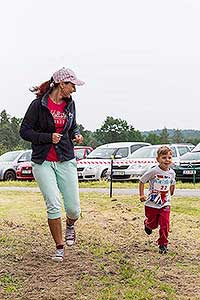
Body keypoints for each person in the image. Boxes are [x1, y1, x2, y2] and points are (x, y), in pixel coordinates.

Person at [20, 67, 85, 262]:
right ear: (61, 84)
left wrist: (76, 134)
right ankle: (59, 246)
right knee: (54, 204)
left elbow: (72, 126)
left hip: (65, 158)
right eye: (72, 85)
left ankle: (70, 225)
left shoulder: (70, 105)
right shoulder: (37, 105)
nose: (74, 89)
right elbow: (24, 131)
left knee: (74, 209)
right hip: (43, 161)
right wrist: (48, 137)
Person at [139, 146, 176, 254]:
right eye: (164, 157)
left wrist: (172, 191)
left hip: (165, 203)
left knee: (165, 224)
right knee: (153, 224)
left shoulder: (172, 172)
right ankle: (147, 224)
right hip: (152, 203)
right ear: (158, 159)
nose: (167, 160)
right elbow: (142, 181)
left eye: (169, 157)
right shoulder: (154, 171)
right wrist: (141, 195)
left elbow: (172, 182)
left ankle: (163, 244)